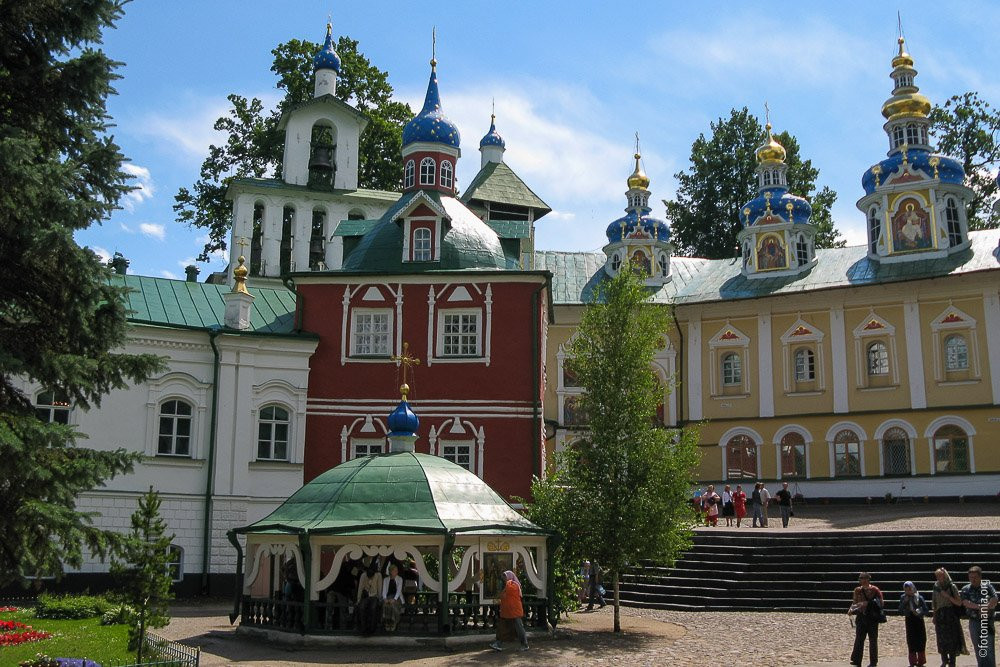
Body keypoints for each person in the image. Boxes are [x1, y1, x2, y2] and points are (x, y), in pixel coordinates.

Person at [959, 566, 997, 667]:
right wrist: (979, 607)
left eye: (975, 577)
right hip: (974, 621)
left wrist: (986, 607)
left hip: (987, 621)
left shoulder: (988, 587)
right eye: (971, 577)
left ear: (980, 577)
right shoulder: (965, 589)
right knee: (978, 646)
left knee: (988, 646)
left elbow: (994, 599)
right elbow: (965, 602)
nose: (973, 579)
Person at [849, 572, 884, 667]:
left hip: (872, 617)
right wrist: (851, 609)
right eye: (861, 578)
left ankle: (873, 661)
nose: (863, 580)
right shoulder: (857, 590)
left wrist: (868, 603)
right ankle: (857, 660)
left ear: (868, 579)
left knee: (873, 640)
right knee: (859, 639)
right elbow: (855, 602)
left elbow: (881, 603)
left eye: (864, 578)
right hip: (861, 616)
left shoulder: (875, 590)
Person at [933, 567, 966, 667]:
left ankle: (952, 661)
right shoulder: (936, 586)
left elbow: (959, 602)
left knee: (952, 639)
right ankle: (944, 660)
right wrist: (934, 615)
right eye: (937, 576)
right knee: (941, 639)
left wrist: (948, 597)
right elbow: (934, 602)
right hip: (940, 614)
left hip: (950, 614)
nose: (939, 578)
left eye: (941, 576)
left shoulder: (952, 586)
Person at [490, 570, 529, 652]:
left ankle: (524, 644)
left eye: (505, 576)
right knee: (502, 628)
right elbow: (502, 596)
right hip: (507, 611)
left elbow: (505, 594)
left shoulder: (513, 585)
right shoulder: (508, 585)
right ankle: (498, 643)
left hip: (514, 611)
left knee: (519, 628)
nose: (503, 578)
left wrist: (503, 589)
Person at [899, 581, 929, 667]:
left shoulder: (919, 597)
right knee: (911, 640)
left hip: (918, 620)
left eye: (909, 589)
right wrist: (905, 602)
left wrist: (920, 612)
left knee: (921, 640)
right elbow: (900, 610)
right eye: (906, 590)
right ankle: (912, 661)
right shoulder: (903, 597)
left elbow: (926, 610)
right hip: (909, 620)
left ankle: (921, 660)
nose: (908, 591)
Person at [356, 558, 383, 635]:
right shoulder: (363, 575)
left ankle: (372, 628)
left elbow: (379, 588)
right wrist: (358, 599)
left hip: (374, 596)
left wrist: (379, 598)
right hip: (366, 595)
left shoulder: (378, 575)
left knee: (373, 608)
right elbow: (360, 588)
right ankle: (363, 628)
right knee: (361, 608)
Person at [381, 563, 404, 632]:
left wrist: (394, 599)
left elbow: (399, 591)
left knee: (393, 606)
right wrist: (385, 598)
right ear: (391, 571)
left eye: (397, 570)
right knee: (385, 605)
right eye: (395, 570)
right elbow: (384, 590)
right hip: (388, 596)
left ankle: (394, 622)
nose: (396, 572)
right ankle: (387, 623)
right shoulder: (386, 579)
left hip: (397, 597)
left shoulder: (400, 579)